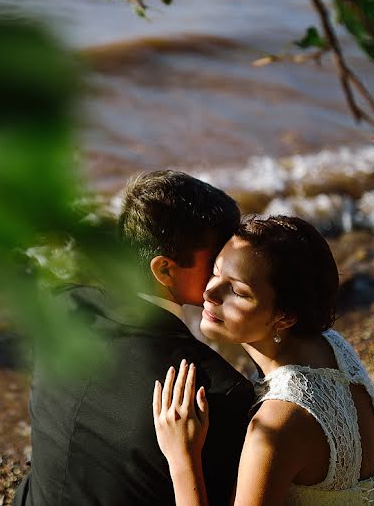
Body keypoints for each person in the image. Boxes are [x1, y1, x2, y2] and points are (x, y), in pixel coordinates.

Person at [13, 170, 255, 506]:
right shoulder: (215, 392)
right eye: (217, 257)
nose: (229, 263)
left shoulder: (60, 306)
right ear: (165, 269)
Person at [152, 215, 374, 506]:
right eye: (215, 272)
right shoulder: (332, 345)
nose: (210, 293)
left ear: (285, 316)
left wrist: (182, 456)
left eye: (238, 292)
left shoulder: (278, 423)